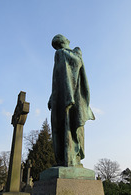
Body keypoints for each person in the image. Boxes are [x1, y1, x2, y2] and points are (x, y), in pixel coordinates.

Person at [48, 34, 95, 167]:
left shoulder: (67, 54)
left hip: (71, 98)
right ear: (64, 41)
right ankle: (68, 158)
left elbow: (68, 74)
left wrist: (64, 96)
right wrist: (53, 96)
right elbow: (58, 80)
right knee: (65, 127)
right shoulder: (61, 53)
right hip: (66, 98)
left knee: (68, 126)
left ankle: (71, 158)